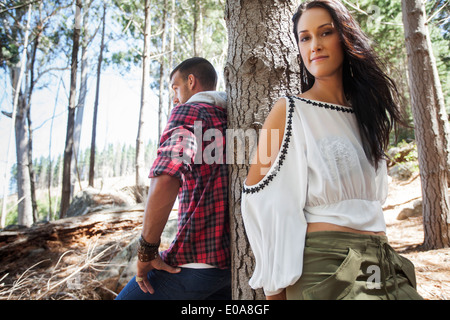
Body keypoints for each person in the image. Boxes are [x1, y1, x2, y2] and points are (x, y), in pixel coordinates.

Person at [241, 0, 423, 300]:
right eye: (305, 37)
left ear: (345, 36)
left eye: (325, 32)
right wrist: (276, 289)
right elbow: (263, 204)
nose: (314, 45)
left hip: (384, 265)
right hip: (327, 267)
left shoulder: (366, 116)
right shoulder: (289, 111)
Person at [116, 57, 230, 300]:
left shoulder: (189, 111)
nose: (174, 98)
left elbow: (167, 174)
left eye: (175, 88)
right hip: (233, 267)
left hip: (195, 261)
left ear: (191, 81)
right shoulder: (230, 117)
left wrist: (147, 252)